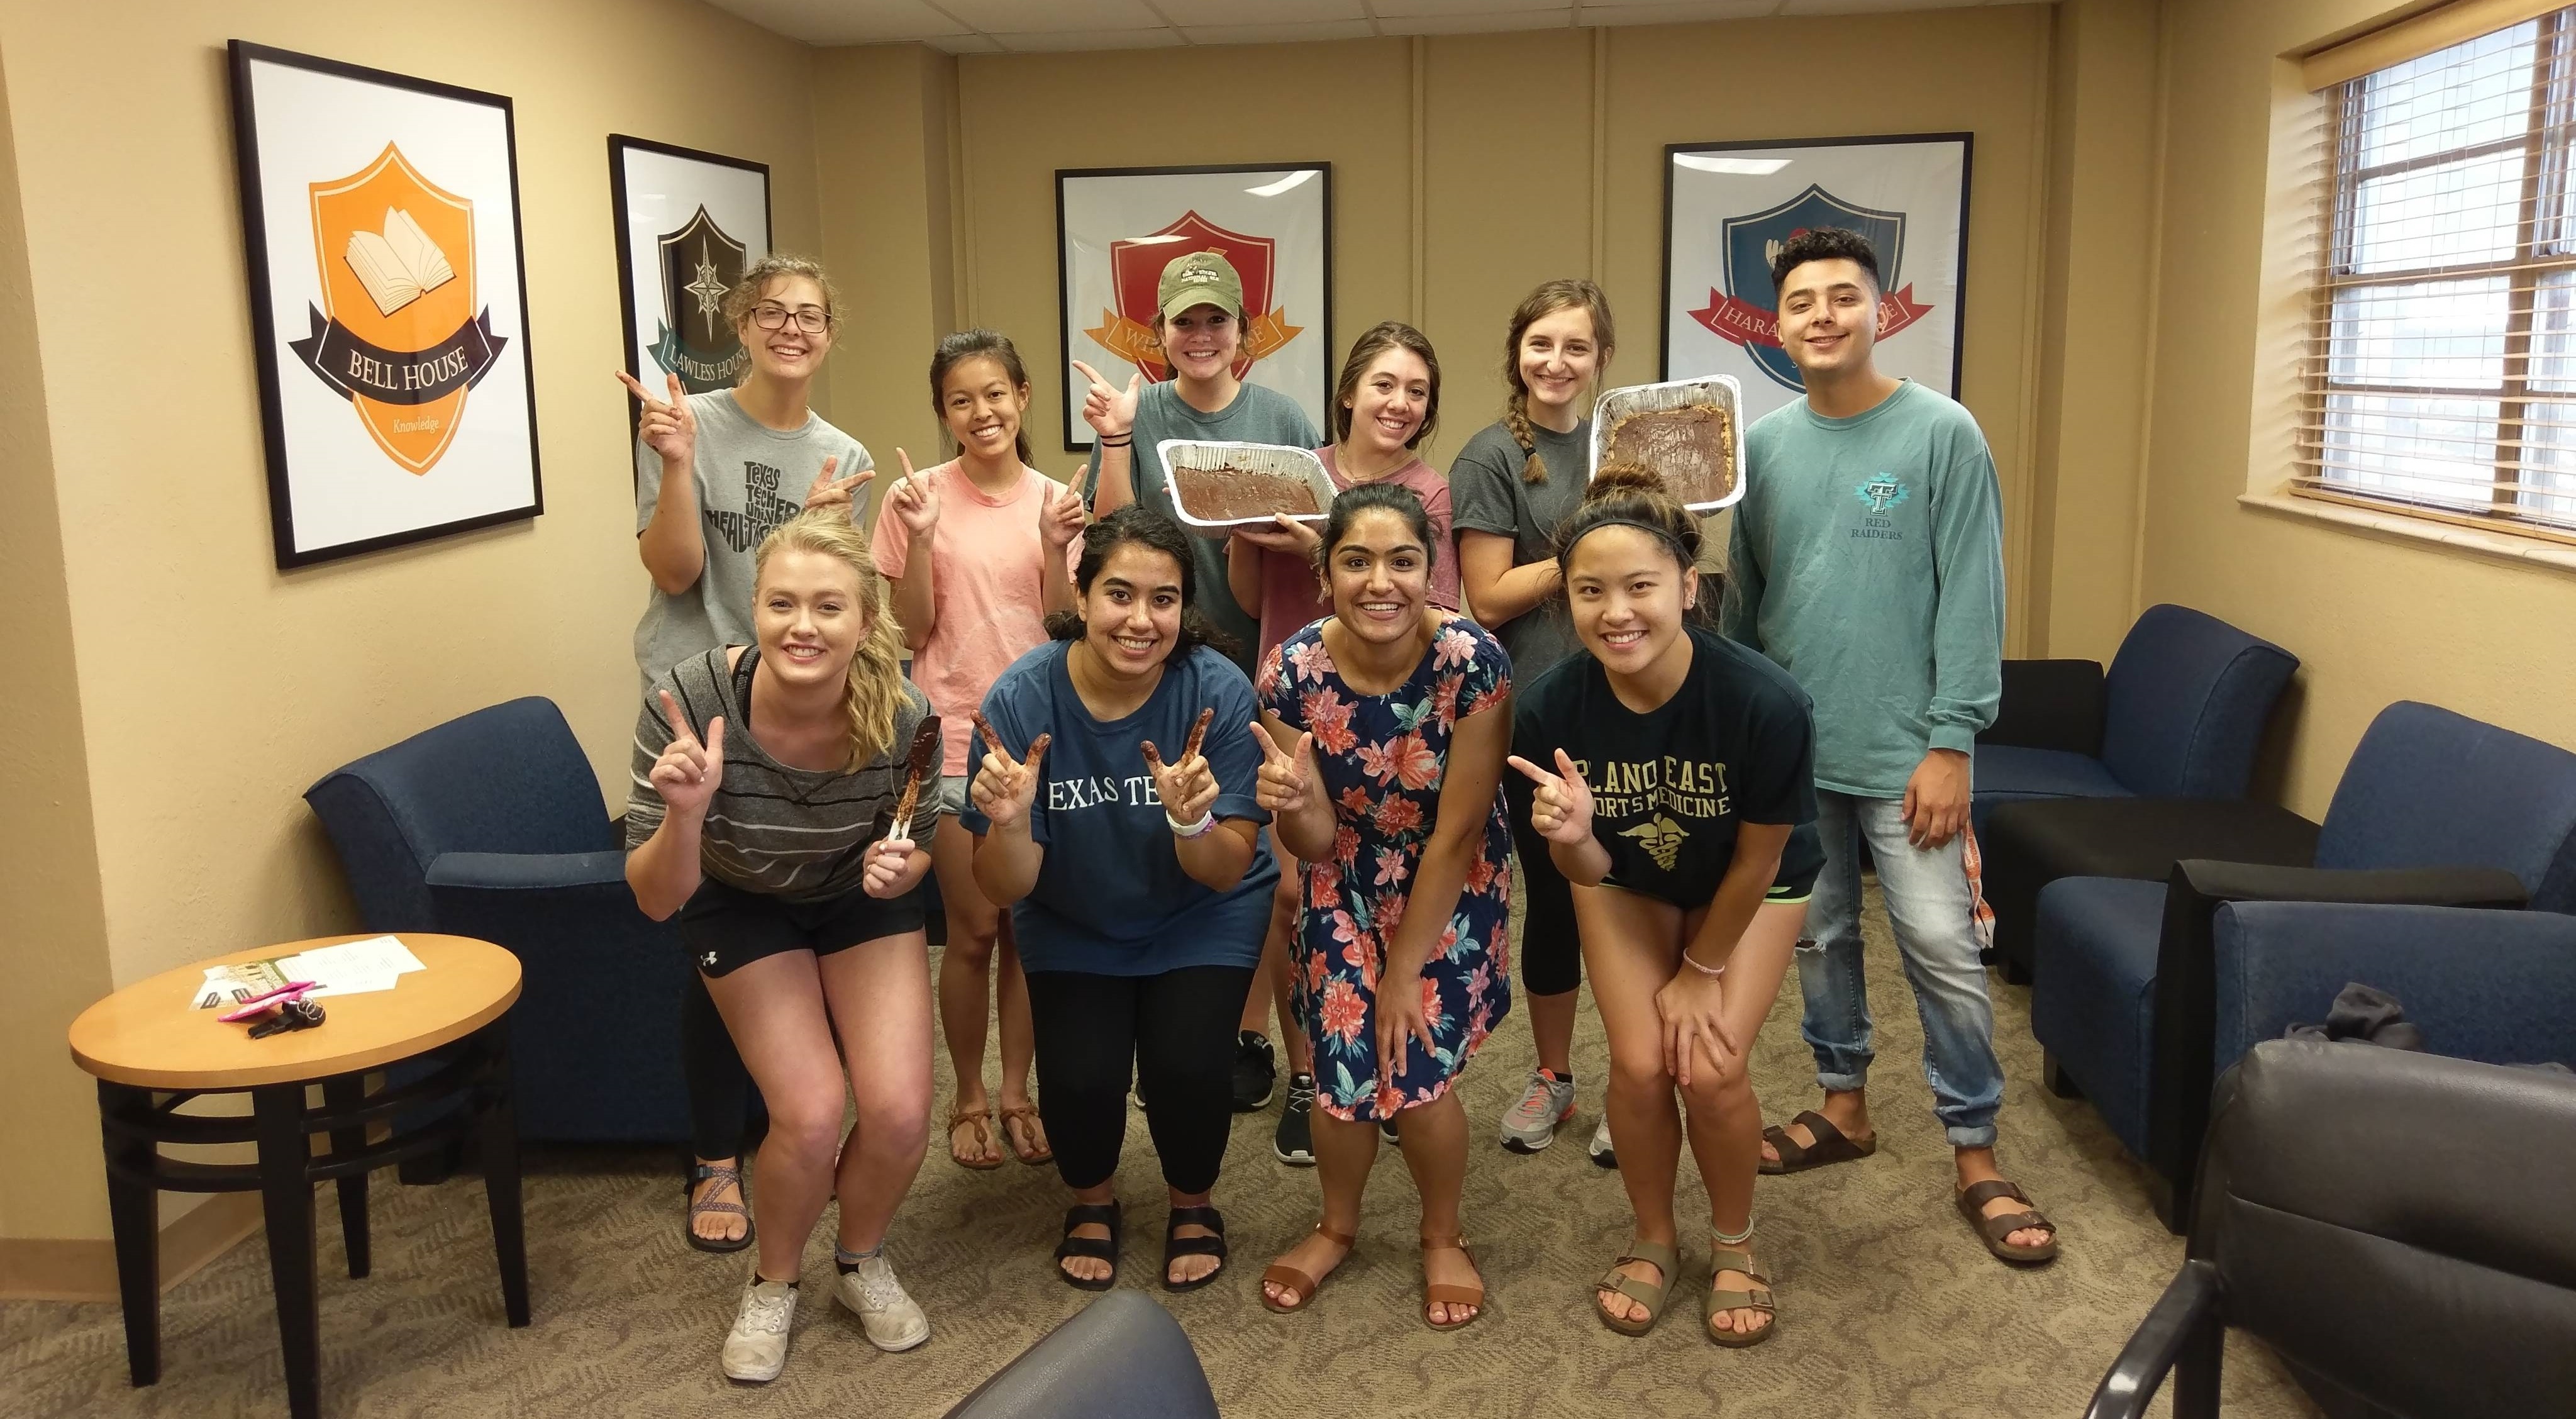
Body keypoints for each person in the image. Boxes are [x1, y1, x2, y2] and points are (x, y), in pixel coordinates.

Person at [1722, 227, 2059, 1266]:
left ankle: (1975, 1148)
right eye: (1801, 303)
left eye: (1842, 298)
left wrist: (1953, 740)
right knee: (1818, 941)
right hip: (1793, 752)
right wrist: (1738, 731)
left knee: (1945, 953)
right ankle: (1843, 1105)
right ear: (1774, 328)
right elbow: (1746, 599)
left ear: (1883, 311)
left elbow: (1974, 595)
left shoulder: (1941, 433)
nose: (1821, 316)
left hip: (1910, 753)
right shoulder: (1765, 446)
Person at [1511, 464, 1823, 1346]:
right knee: (1643, 1066)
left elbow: (1761, 857)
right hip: (1629, 881)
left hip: (1751, 886)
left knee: (1713, 1066)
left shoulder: (1766, 701)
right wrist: (1571, 831)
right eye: (1590, 591)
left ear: (1689, 588)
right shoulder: (1547, 710)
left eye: (1641, 587)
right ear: (1563, 601)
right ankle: (1654, 1236)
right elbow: (1585, 868)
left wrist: (1701, 969)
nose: (1617, 612)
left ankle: (1736, 1243)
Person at [623, 511, 939, 1383]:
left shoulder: (906, 715)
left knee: (904, 1111)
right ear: (753, 611)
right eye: (783, 604)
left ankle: (860, 1260)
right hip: (739, 899)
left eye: (829, 607)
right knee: (807, 1112)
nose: (804, 626)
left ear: (865, 622)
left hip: (851, 901)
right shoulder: (687, 703)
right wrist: (687, 812)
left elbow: (918, 852)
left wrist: (900, 871)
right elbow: (657, 899)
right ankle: (775, 1280)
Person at [618, 253, 876, 1255]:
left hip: (791, 708)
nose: (793, 329)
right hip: (696, 704)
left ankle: (791, 1117)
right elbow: (678, 570)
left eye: (811, 315)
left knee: (799, 905)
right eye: (772, 312)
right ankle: (714, 1155)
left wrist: (823, 521)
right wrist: (678, 461)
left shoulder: (841, 448)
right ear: (741, 323)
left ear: (830, 333)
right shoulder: (691, 421)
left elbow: (823, 594)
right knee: (710, 924)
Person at [962, 505, 1278, 1292]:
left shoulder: (1216, 695)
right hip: (1072, 913)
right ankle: (1092, 1202)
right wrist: (1006, 824)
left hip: (1200, 912)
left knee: (1185, 1068)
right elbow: (1004, 887)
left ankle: (1193, 1202)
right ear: (1083, 594)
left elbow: (1224, 871)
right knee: (1079, 1079)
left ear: (1185, 607)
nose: (1141, 620)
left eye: (1163, 599)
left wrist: (1190, 817)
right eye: (1120, 595)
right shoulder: (1018, 704)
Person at [1253, 484, 1514, 1331]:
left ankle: (1444, 1233)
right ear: (1325, 574)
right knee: (1340, 1065)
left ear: (1430, 571)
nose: (1381, 582)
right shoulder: (1292, 672)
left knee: (1415, 1063)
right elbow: (1319, 842)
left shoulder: (1473, 663)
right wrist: (1293, 803)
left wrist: (1405, 971)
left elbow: (1460, 828)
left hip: (1452, 872)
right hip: (1347, 869)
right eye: (1356, 561)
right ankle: (1337, 1224)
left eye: (1402, 561)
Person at [1075, 248, 1324, 1118]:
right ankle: (1233, 1032)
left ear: (1242, 333)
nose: (1203, 335)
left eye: (1218, 319)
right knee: (1210, 856)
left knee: (1286, 883)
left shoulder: (1282, 417)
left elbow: (1320, 536)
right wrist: (1113, 437)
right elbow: (1104, 541)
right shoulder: (1141, 415)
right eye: (1187, 321)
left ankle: (1305, 1066)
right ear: (1161, 335)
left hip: (1272, 668)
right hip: (1172, 669)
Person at [1225, 320, 1459, 1168]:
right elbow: (1249, 594)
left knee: (1382, 901)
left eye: (1418, 391)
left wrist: (1328, 547)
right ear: (1350, 392)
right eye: (1386, 384)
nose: (1399, 403)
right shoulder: (1293, 470)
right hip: (1294, 698)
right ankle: (1307, 1071)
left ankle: (1392, 1064)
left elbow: (1436, 603)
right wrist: (1243, 528)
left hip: (1391, 719)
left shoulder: (1427, 492)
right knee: (1296, 895)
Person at [870, 330, 1086, 1172]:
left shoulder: (1055, 500)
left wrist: (1060, 544)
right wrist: (921, 537)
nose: (981, 412)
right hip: (951, 737)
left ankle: (1017, 1091)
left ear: (1023, 395)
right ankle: (967, 1094)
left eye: (995, 393)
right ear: (944, 413)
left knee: (1030, 929)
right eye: (961, 400)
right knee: (972, 930)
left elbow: (1069, 627)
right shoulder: (915, 496)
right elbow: (910, 630)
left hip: (1043, 738)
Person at [1450, 279, 1621, 1162]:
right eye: (1541, 344)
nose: (1557, 363)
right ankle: (1554, 1077)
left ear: (1602, 361)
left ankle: (1638, 1082)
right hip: (1541, 715)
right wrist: (1589, 548)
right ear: (1518, 352)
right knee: (1555, 900)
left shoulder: (1627, 443)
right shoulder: (1490, 458)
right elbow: (1486, 597)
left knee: (1638, 897)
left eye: (1577, 348)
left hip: (1636, 708)